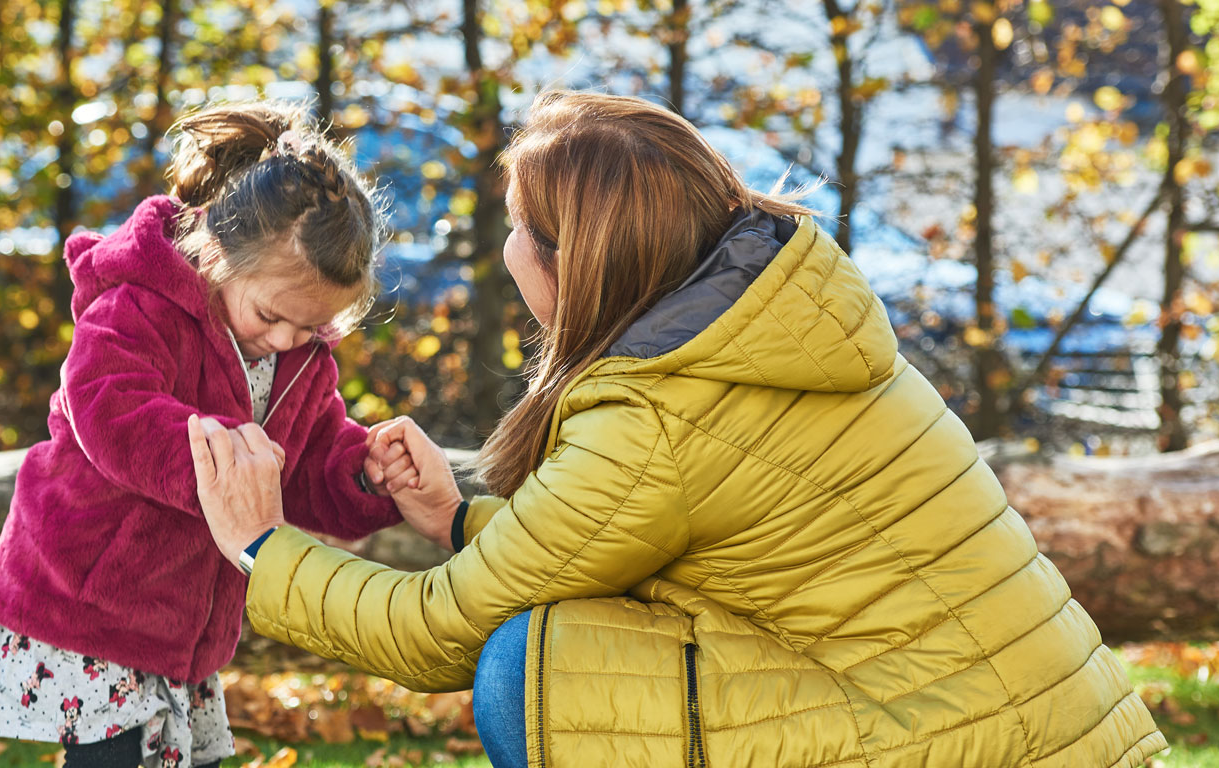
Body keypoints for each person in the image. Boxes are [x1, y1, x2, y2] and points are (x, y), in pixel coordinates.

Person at [187, 90, 1167, 768]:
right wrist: (455, 522)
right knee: (567, 638)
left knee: (524, 668)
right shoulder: (765, 321)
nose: (504, 245)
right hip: (1021, 726)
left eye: (519, 225)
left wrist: (259, 545)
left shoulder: (659, 415)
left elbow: (440, 630)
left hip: (942, 736)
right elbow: (616, 543)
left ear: (571, 262)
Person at [0, 101, 424, 768]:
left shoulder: (299, 359)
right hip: (92, 602)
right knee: (112, 760)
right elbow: (110, 410)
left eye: (311, 327)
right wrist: (224, 454)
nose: (287, 339)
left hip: (183, 625)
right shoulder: (136, 306)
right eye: (272, 315)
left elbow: (308, 459)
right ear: (217, 251)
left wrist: (362, 471)